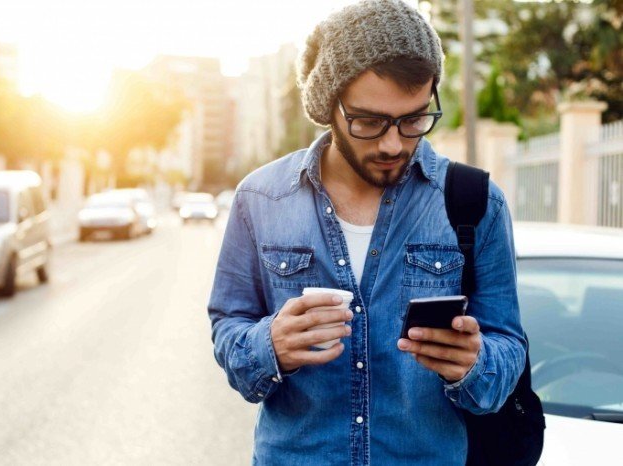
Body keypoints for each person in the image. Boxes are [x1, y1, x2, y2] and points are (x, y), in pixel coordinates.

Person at [207, 0, 526, 464]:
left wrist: (476, 365)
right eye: (370, 122)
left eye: (414, 118)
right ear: (328, 106)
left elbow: (508, 347)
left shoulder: (477, 202)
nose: (393, 143)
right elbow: (227, 327)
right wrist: (268, 346)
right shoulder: (260, 199)